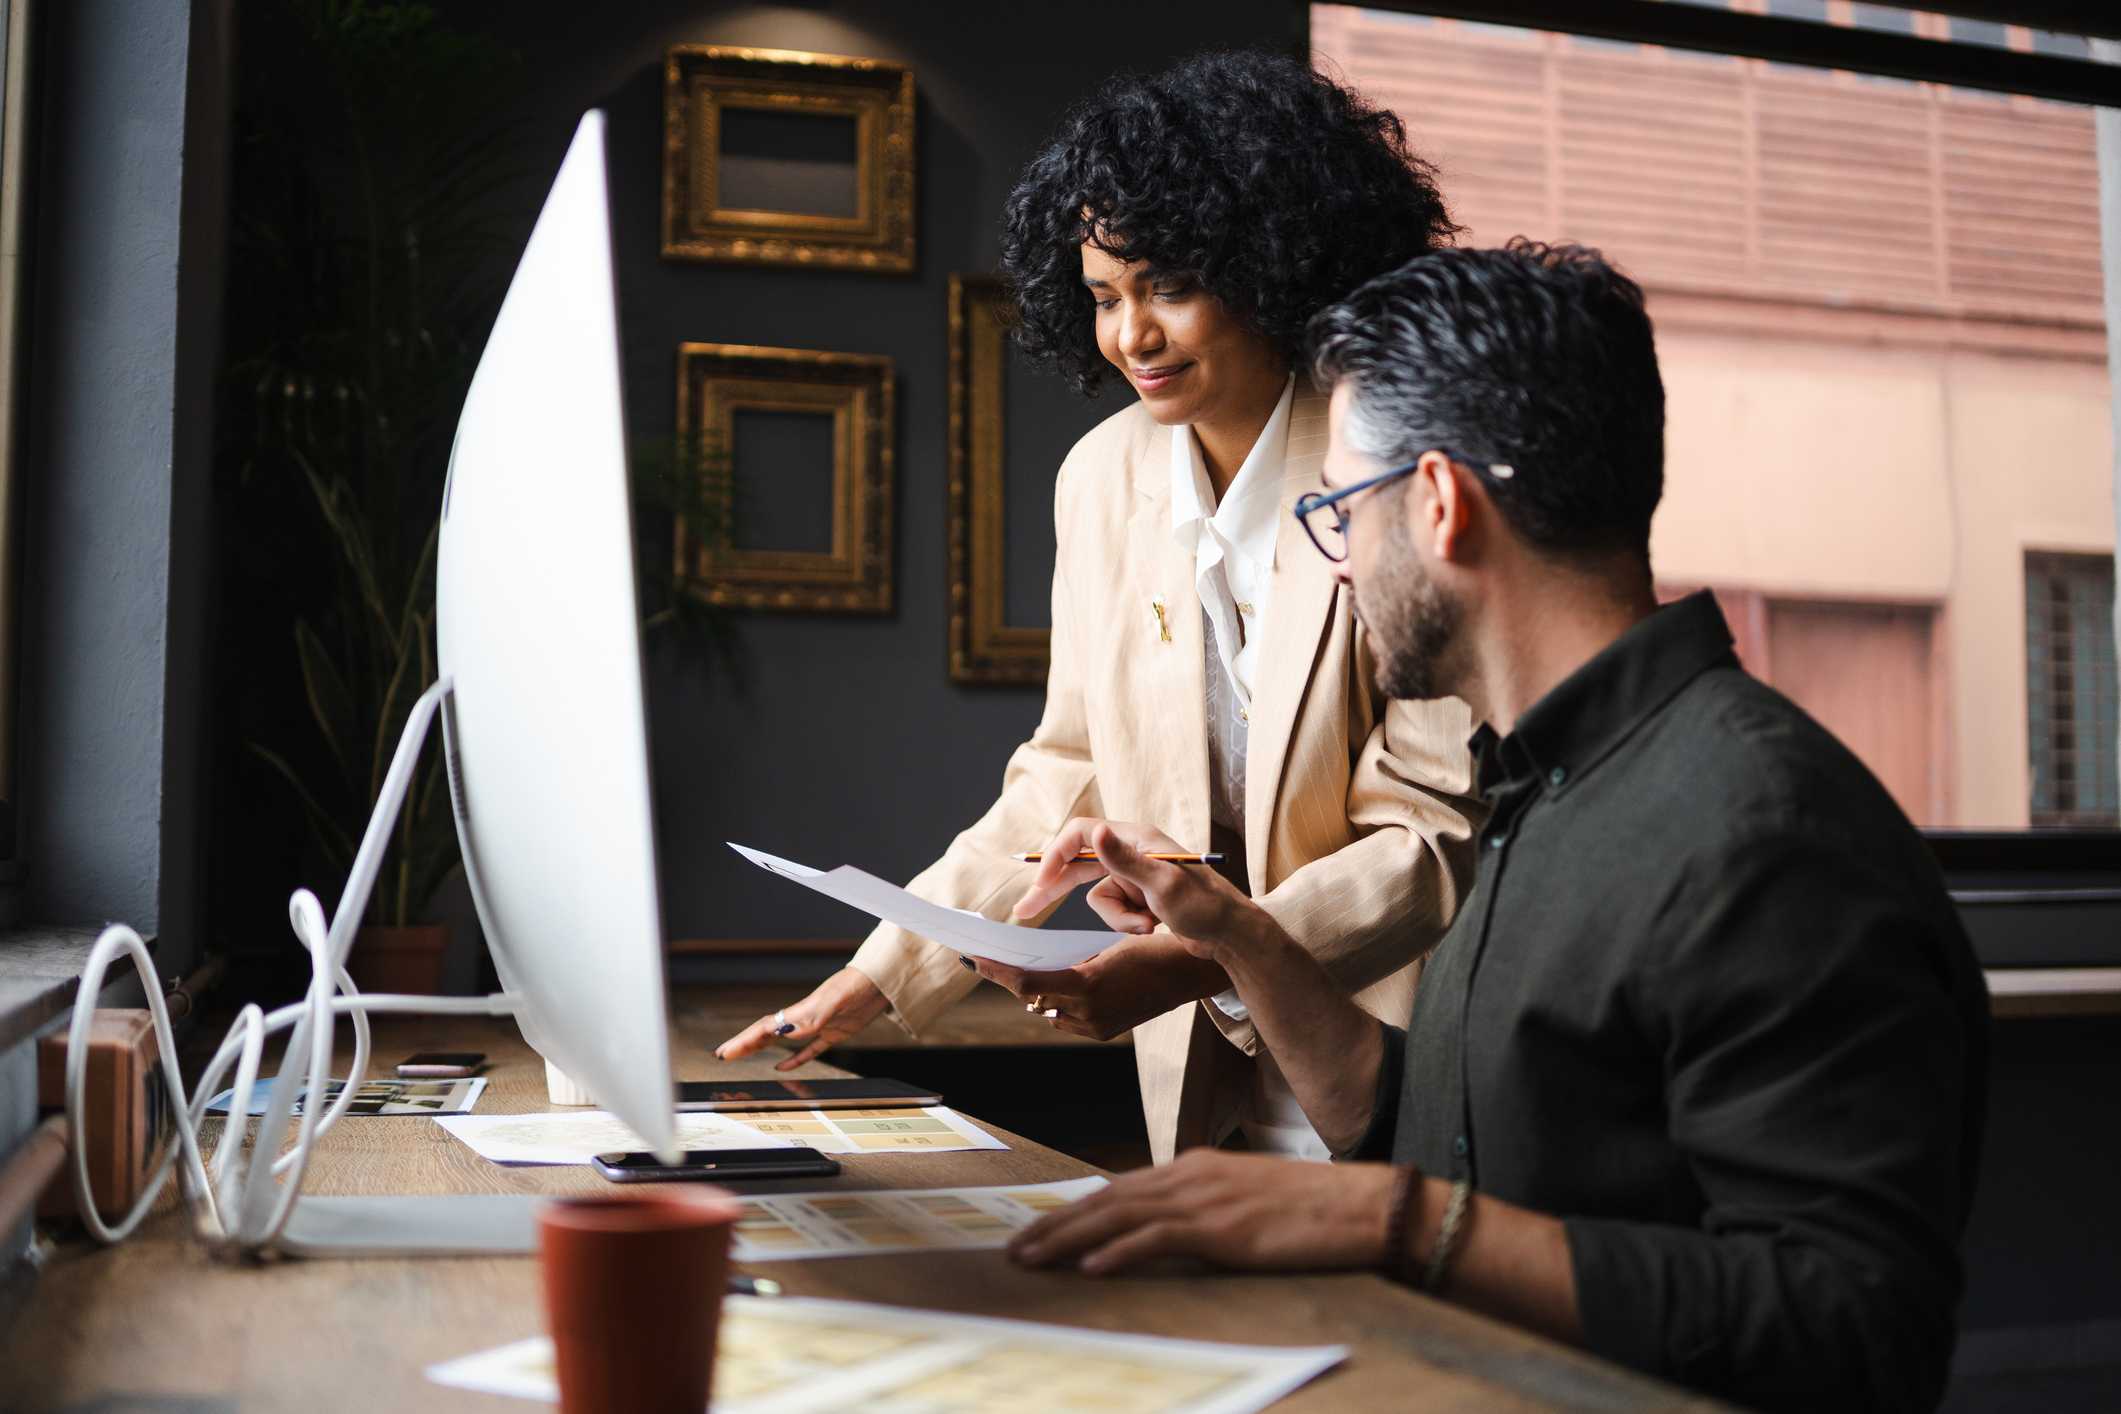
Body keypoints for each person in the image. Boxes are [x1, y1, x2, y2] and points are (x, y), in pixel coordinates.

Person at [1003, 242, 1990, 1414]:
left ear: (1438, 505)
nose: (1340, 564)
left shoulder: (1766, 836)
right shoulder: (1542, 783)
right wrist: (1237, 937)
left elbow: (1853, 1329)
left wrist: (1394, 1220)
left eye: (1337, 513)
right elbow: (1427, 1131)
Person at [718, 50, 1482, 1164]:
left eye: (1168, 284)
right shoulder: (1100, 475)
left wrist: (1198, 955)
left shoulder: (1393, 464)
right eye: (1103, 296)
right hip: (1206, 1075)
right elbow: (1068, 767)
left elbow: (1429, 837)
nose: (1132, 335)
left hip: (1393, 1040)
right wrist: (879, 977)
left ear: (1273, 266)